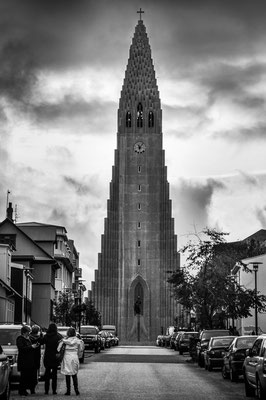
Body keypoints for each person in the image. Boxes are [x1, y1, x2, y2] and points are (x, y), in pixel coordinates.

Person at [17, 325, 40, 396]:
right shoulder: (20, 339)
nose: (29, 333)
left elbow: (28, 348)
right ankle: (21, 390)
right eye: (28, 332)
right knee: (23, 376)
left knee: (27, 376)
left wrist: (34, 346)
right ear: (24, 332)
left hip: (29, 361)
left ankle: (24, 390)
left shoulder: (28, 338)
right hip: (23, 361)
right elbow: (21, 348)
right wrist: (31, 347)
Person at [58, 327, 81, 396]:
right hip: (74, 357)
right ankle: (76, 390)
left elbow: (58, 349)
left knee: (67, 374)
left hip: (67, 357)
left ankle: (68, 390)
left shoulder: (64, 340)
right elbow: (80, 349)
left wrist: (63, 341)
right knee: (74, 374)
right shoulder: (78, 340)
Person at [43, 323, 62, 395]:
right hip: (55, 357)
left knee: (47, 374)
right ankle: (54, 390)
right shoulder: (58, 336)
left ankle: (46, 390)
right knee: (54, 375)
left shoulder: (46, 336)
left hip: (47, 356)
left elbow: (41, 342)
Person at [29, 325, 43, 394]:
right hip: (36, 357)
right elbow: (43, 340)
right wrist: (41, 334)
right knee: (35, 373)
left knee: (29, 373)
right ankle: (32, 388)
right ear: (38, 331)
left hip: (29, 357)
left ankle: (29, 386)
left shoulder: (28, 337)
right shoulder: (39, 338)